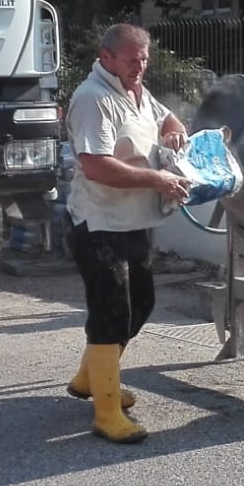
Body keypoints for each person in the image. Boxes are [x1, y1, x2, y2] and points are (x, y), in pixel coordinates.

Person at [62, 23, 190, 443]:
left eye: (145, 58)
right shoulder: (93, 98)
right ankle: (106, 414)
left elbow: (164, 116)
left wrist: (174, 129)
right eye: (132, 59)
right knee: (112, 313)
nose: (141, 66)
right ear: (106, 58)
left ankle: (90, 379)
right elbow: (96, 166)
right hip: (99, 223)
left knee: (141, 304)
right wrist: (157, 179)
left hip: (133, 220)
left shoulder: (135, 90)